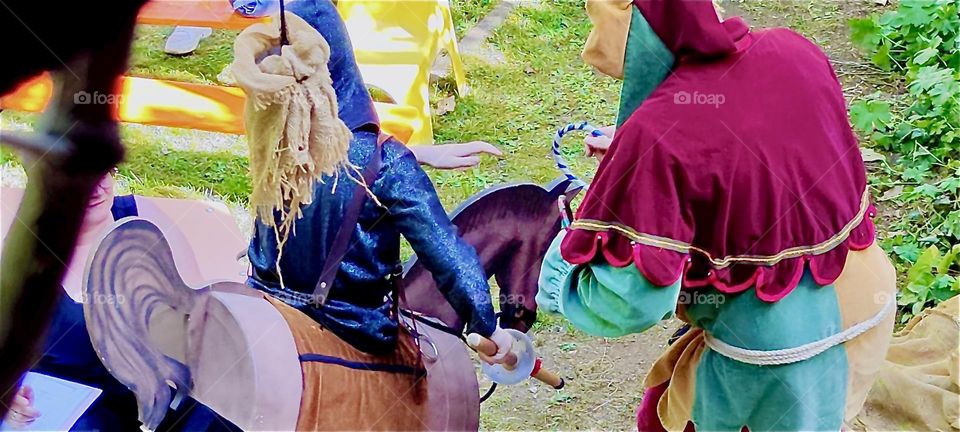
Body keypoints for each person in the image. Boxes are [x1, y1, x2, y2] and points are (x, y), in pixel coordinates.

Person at [537, 1, 896, 431]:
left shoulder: (657, 137)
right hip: (870, 304)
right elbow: (752, 137)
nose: (589, 48)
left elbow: (630, 303)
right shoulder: (792, 47)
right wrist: (635, 150)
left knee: (663, 420)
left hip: (783, 350)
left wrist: (556, 274)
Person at [0, 171, 242, 431]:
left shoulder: (141, 218)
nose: (95, 188)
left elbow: (197, 309)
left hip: (159, 390)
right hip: (76, 408)